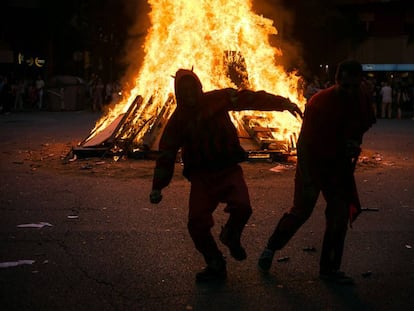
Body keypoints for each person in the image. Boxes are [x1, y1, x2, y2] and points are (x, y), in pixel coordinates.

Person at [149, 68, 302, 282]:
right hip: (202, 176)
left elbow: (249, 98)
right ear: (178, 93)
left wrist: (282, 103)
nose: (189, 94)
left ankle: (231, 235)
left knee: (243, 207)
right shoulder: (178, 120)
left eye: (191, 88)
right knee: (196, 223)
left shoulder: (218, 99)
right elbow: (166, 153)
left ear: (198, 87)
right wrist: (158, 185)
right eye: (183, 90)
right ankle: (215, 262)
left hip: (228, 169)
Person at [257, 60, 376, 284]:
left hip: (338, 166)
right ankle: (271, 248)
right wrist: (308, 177)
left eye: (354, 85)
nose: (350, 91)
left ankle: (329, 269)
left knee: (339, 216)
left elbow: (363, 124)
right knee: (301, 211)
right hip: (313, 163)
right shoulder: (319, 103)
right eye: (346, 86)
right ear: (336, 81)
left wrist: (353, 143)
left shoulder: (361, 98)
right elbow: (303, 144)